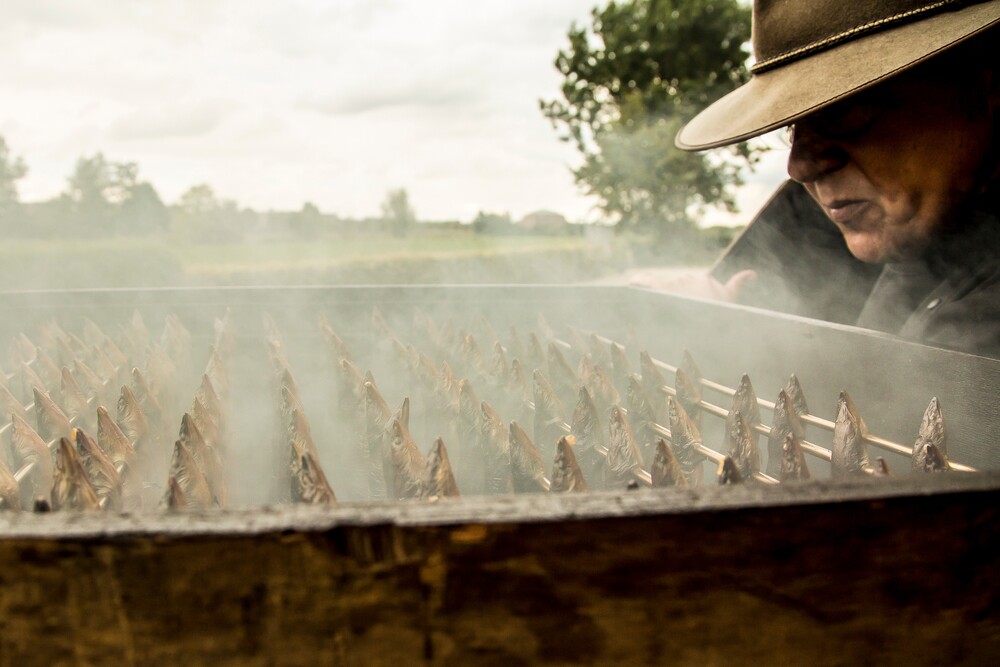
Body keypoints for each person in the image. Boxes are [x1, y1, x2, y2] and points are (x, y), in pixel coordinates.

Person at [634, 0, 1000, 357]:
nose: (800, 167)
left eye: (843, 109)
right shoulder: (926, 225)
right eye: (793, 126)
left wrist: (724, 345)